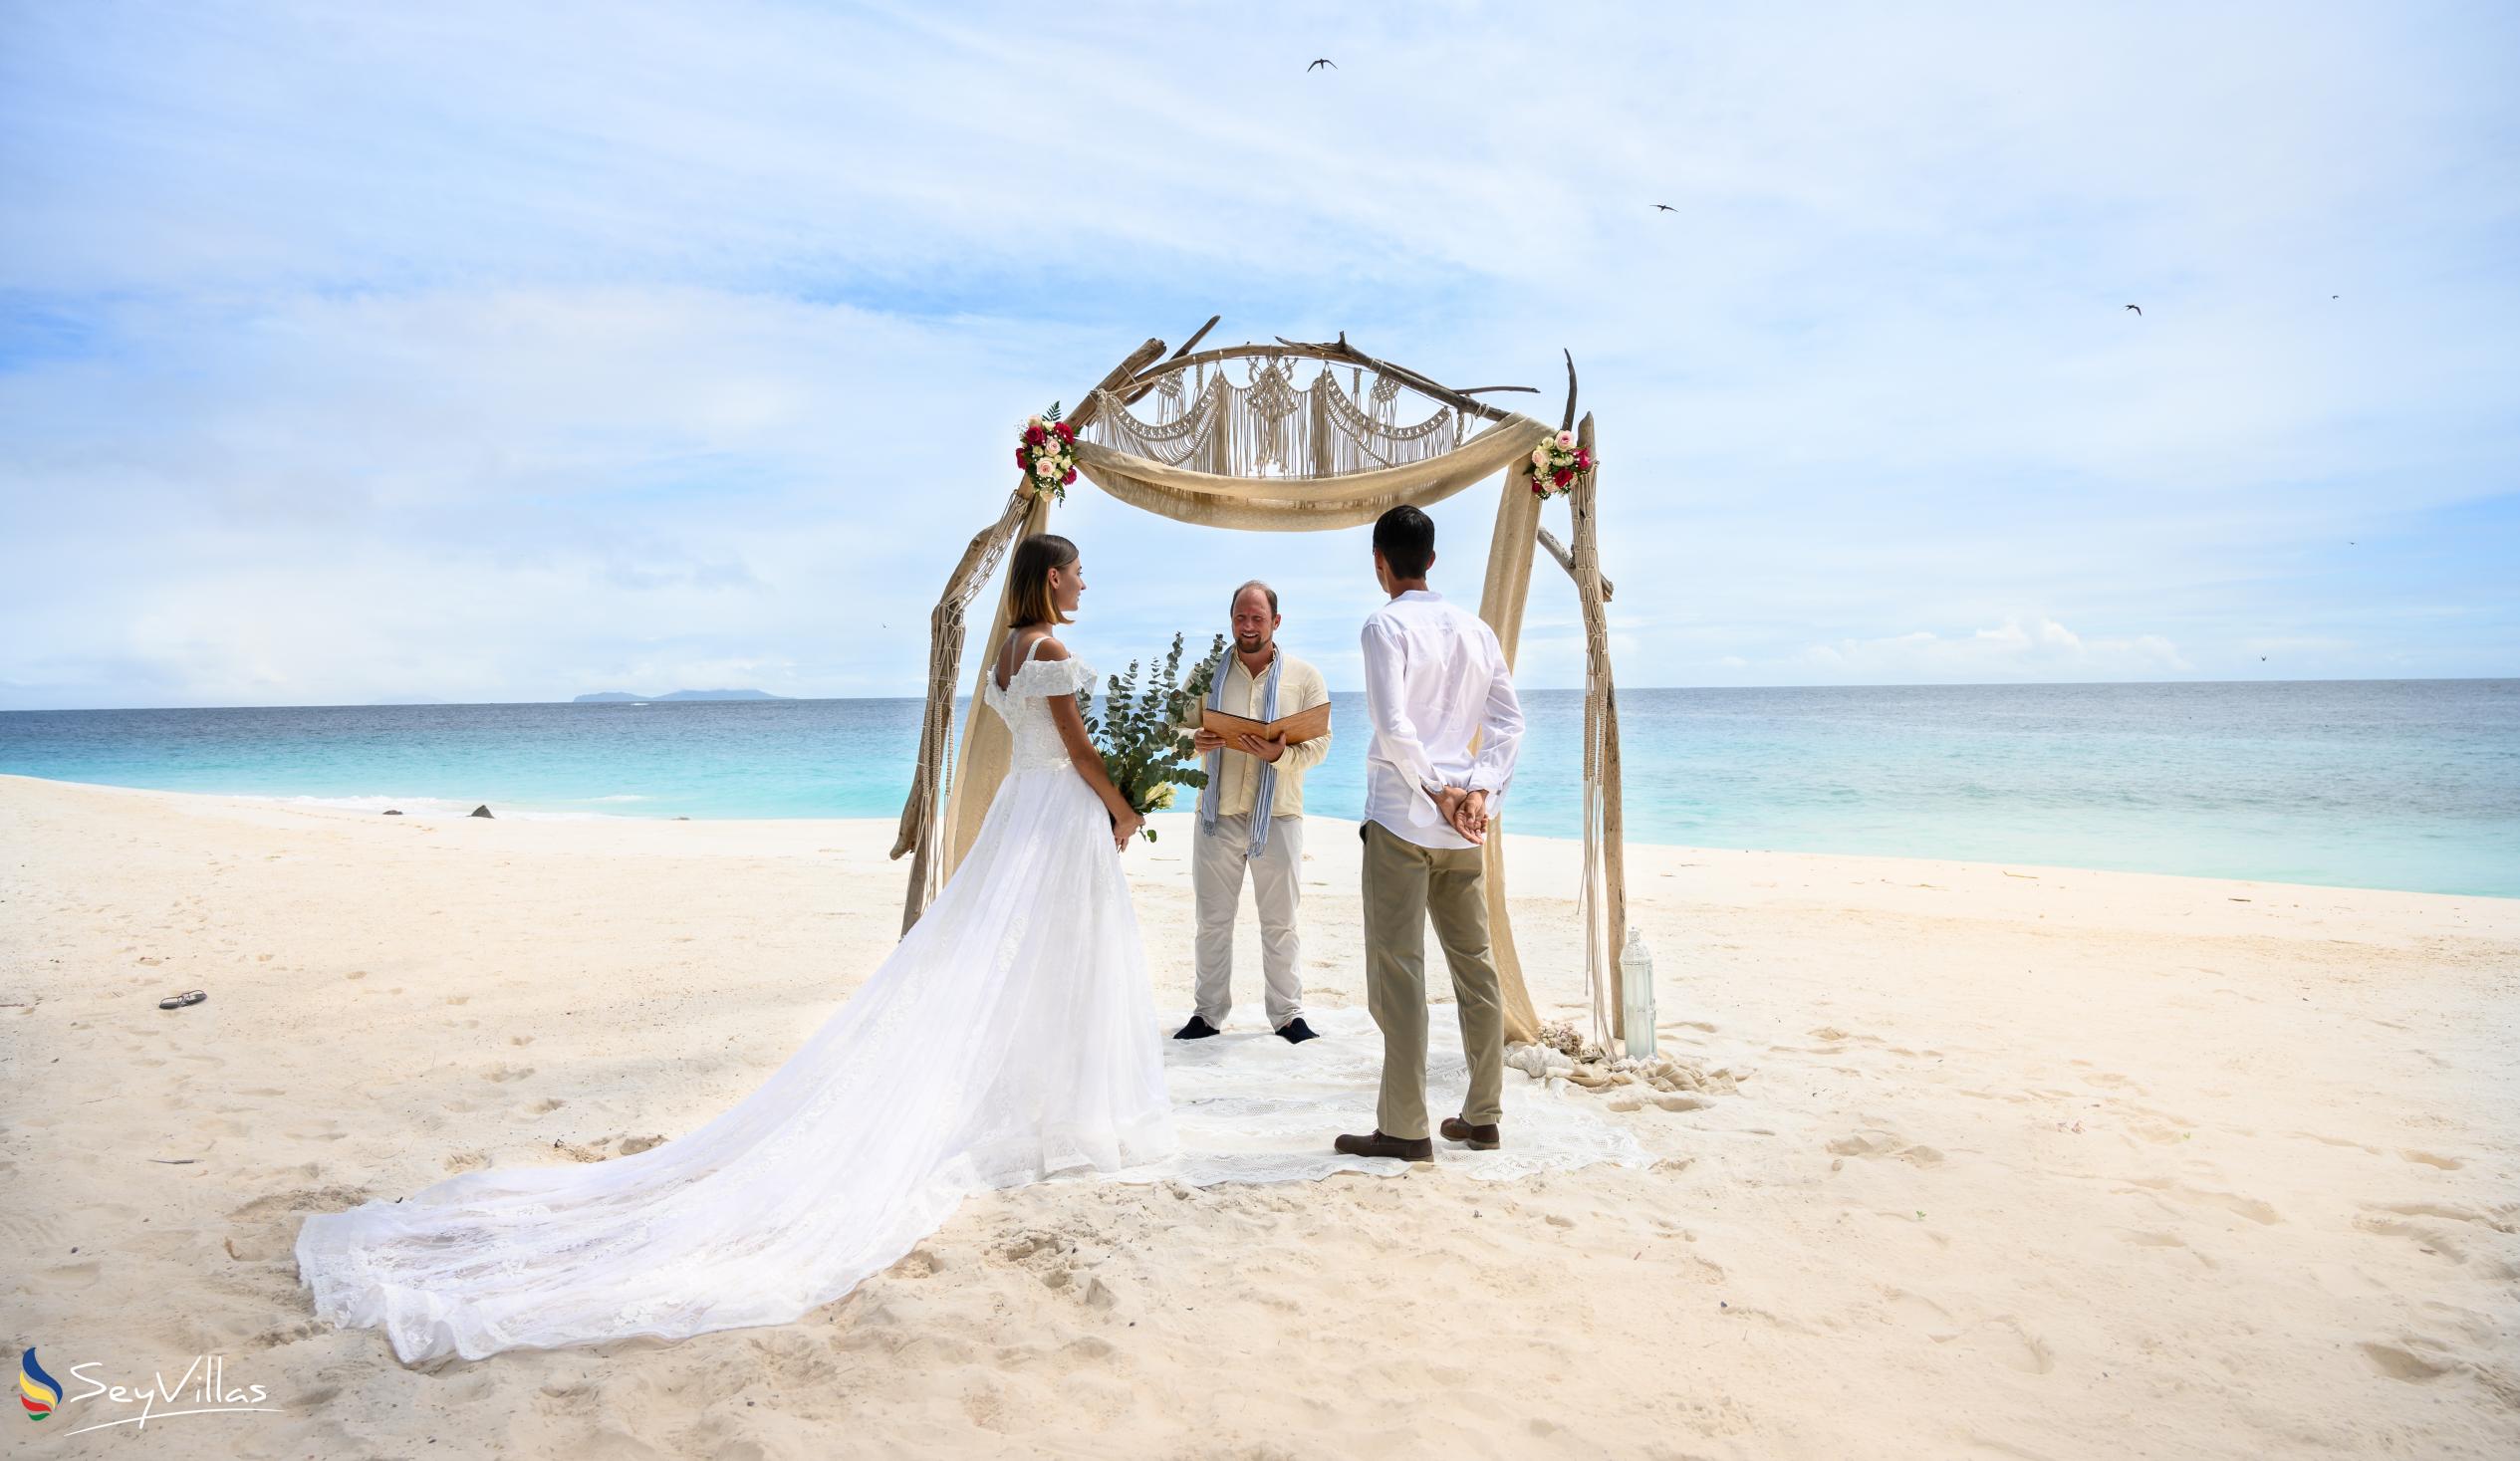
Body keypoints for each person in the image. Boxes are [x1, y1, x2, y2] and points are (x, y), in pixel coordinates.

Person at [294, 534, 1176, 1364]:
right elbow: (1078, 748)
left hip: (1019, 815)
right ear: (1049, 578)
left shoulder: (1005, 653)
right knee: (1059, 955)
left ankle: (1046, 1100)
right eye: (1076, 571)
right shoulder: (1050, 654)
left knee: (1018, 957)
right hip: (1054, 812)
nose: (1084, 581)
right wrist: (1122, 806)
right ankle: (1064, 1107)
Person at [1335, 505, 1524, 1163]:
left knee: (1400, 971)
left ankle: (1406, 1126)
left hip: (1403, 816)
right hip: (1463, 827)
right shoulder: (1477, 630)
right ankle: (1483, 1115)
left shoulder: (1383, 624)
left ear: (1381, 564)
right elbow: (1509, 723)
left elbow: (1393, 725)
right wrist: (1479, 792)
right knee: (1475, 965)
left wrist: (1439, 790)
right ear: (1433, 561)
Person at [1172, 580, 1333, 1044]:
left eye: (1257, 618)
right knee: (1212, 921)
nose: (1247, 626)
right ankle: (1207, 1014)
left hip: (1278, 815)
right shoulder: (1205, 675)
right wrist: (1193, 740)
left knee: (1281, 922)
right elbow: (1173, 729)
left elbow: (1320, 744)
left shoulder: (1304, 677)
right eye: (1241, 617)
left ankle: (1288, 1016)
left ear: (1275, 622)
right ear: (1231, 620)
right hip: (1215, 816)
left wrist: (1278, 755)